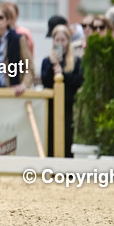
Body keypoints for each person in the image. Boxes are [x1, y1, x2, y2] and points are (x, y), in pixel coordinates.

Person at [40, 24, 83, 157]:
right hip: (51, 106)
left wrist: (63, 74)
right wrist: (53, 66)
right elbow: (45, 81)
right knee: (51, 137)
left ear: (68, 42)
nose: (60, 43)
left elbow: (78, 81)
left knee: (67, 138)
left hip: (68, 106)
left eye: (62, 40)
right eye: (57, 40)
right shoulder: (47, 61)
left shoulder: (76, 61)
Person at [0, 2, 33, 93]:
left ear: (7, 20)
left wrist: (24, 85)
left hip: (16, 90)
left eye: (1, 18)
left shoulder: (19, 39)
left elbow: (29, 66)